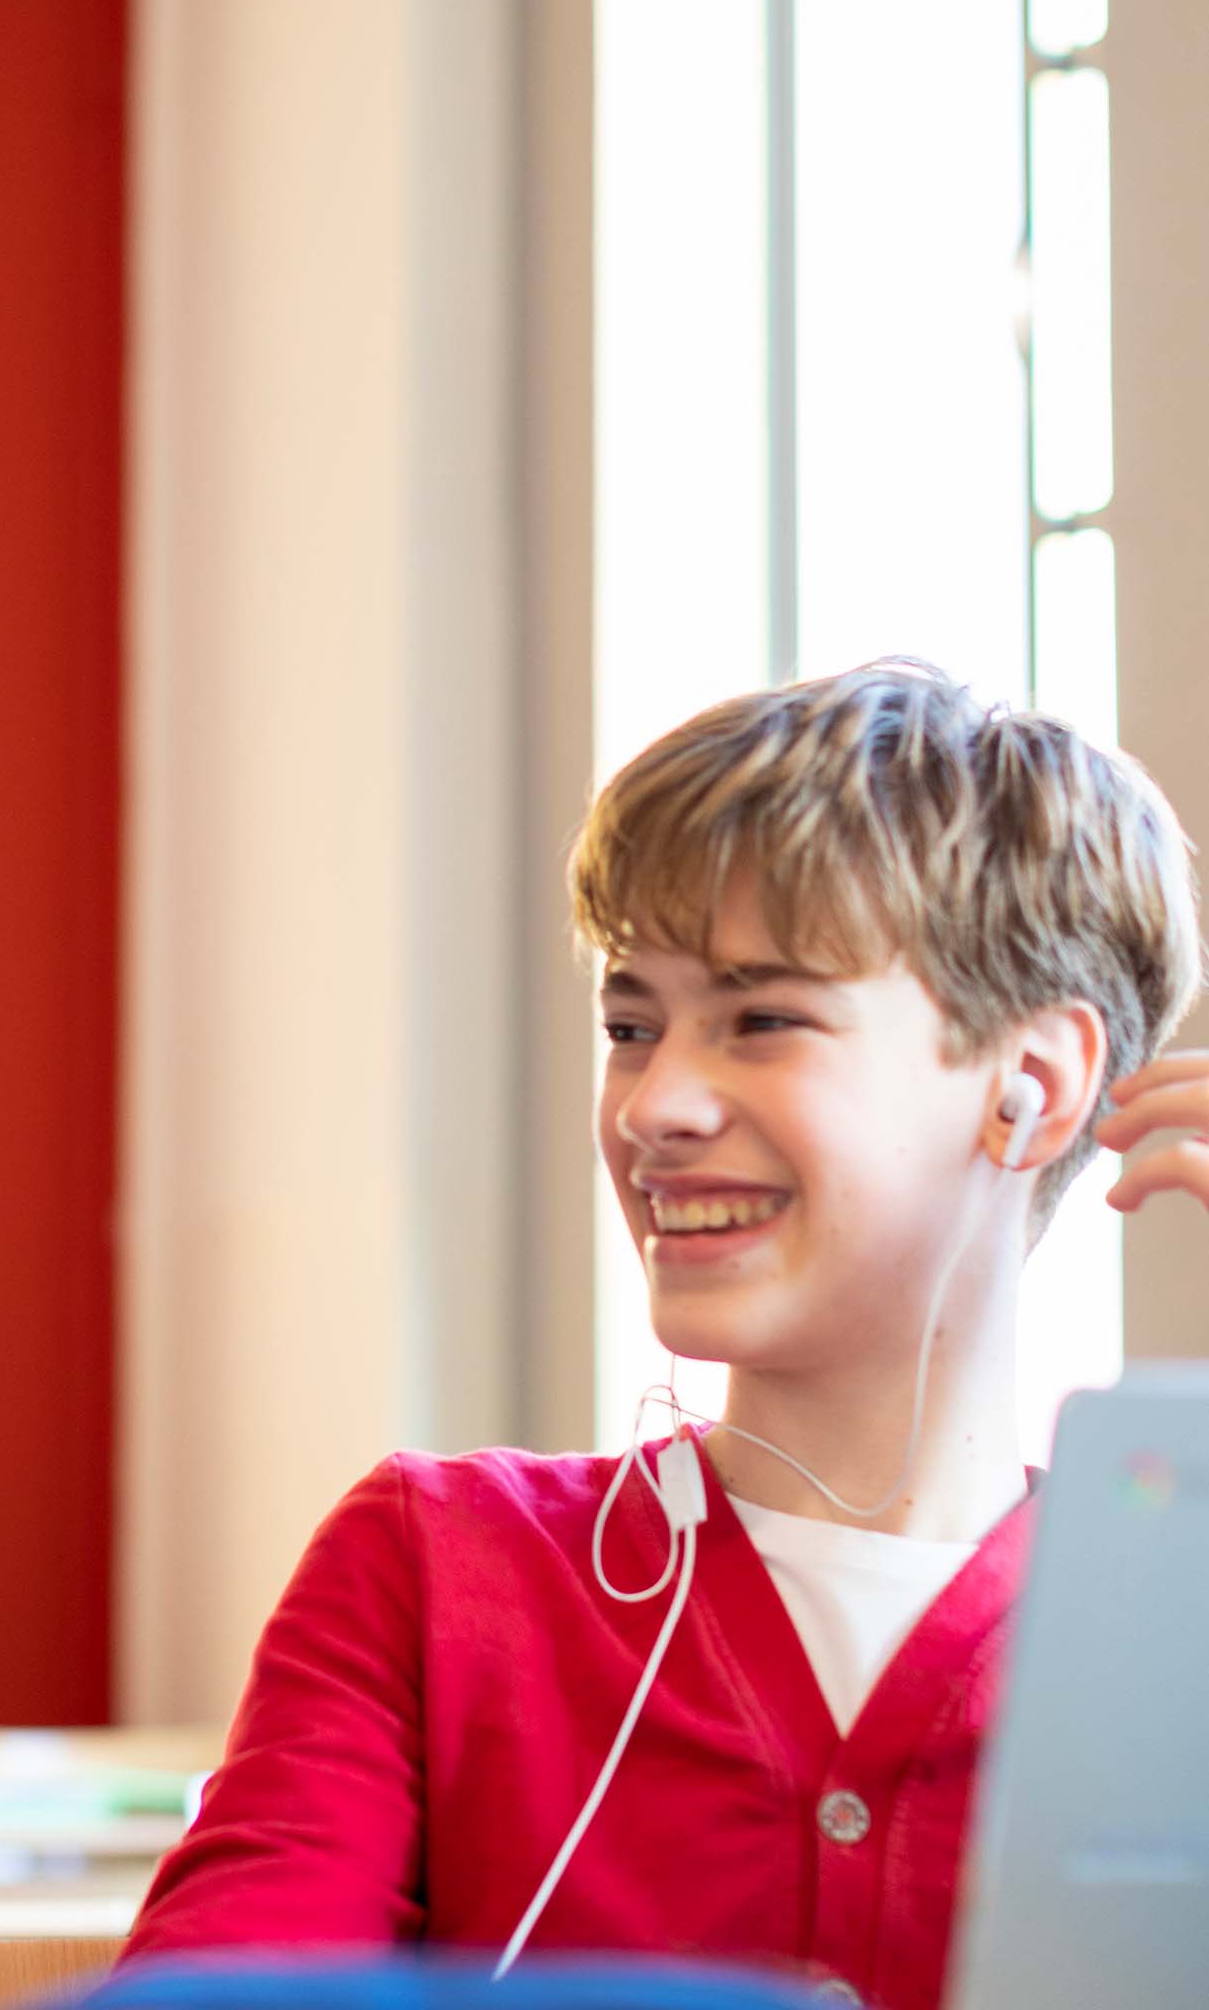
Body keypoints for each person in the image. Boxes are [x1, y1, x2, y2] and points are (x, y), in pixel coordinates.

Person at [125, 662, 1203, 2010]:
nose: (655, 1105)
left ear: (1030, 1091)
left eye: (762, 1020)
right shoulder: (434, 1567)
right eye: (632, 1026)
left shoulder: (1176, 1626)